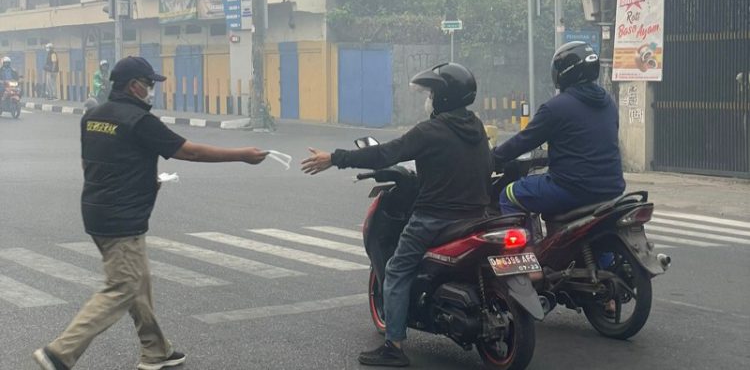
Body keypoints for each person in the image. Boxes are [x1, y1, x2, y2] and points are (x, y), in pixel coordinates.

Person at [33, 56, 269, 370]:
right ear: (134, 86)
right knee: (122, 287)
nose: (151, 90)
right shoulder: (139, 120)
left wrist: (142, 182)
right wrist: (242, 155)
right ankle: (59, 353)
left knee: (137, 283)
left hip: (96, 211)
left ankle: (156, 350)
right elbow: (189, 151)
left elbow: (93, 162)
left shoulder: (93, 115)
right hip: (121, 218)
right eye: (148, 84)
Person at [302, 63, 492, 367]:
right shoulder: (477, 127)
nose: (427, 99)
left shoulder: (430, 130)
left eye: (431, 93)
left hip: (435, 219)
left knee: (397, 270)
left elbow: (384, 154)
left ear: (443, 96)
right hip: (477, 216)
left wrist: (335, 158)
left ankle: (393, 345)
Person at [493, 41, 625, 218]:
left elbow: (523, 141)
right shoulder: (608, 103)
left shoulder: (555, 108)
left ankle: (526, 245)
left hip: (572, 190)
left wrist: (494, 157)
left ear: (564, 73)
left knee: (508, 194)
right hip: (612, 189)